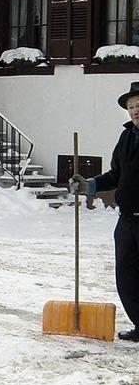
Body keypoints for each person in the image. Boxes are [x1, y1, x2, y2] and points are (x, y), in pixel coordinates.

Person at [70, 81, 139, 342]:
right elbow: (116, 175)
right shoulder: (126, 137)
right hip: (127, 220)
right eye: (131, 106)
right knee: (127, 277)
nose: (134, 110)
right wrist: (89, 185)